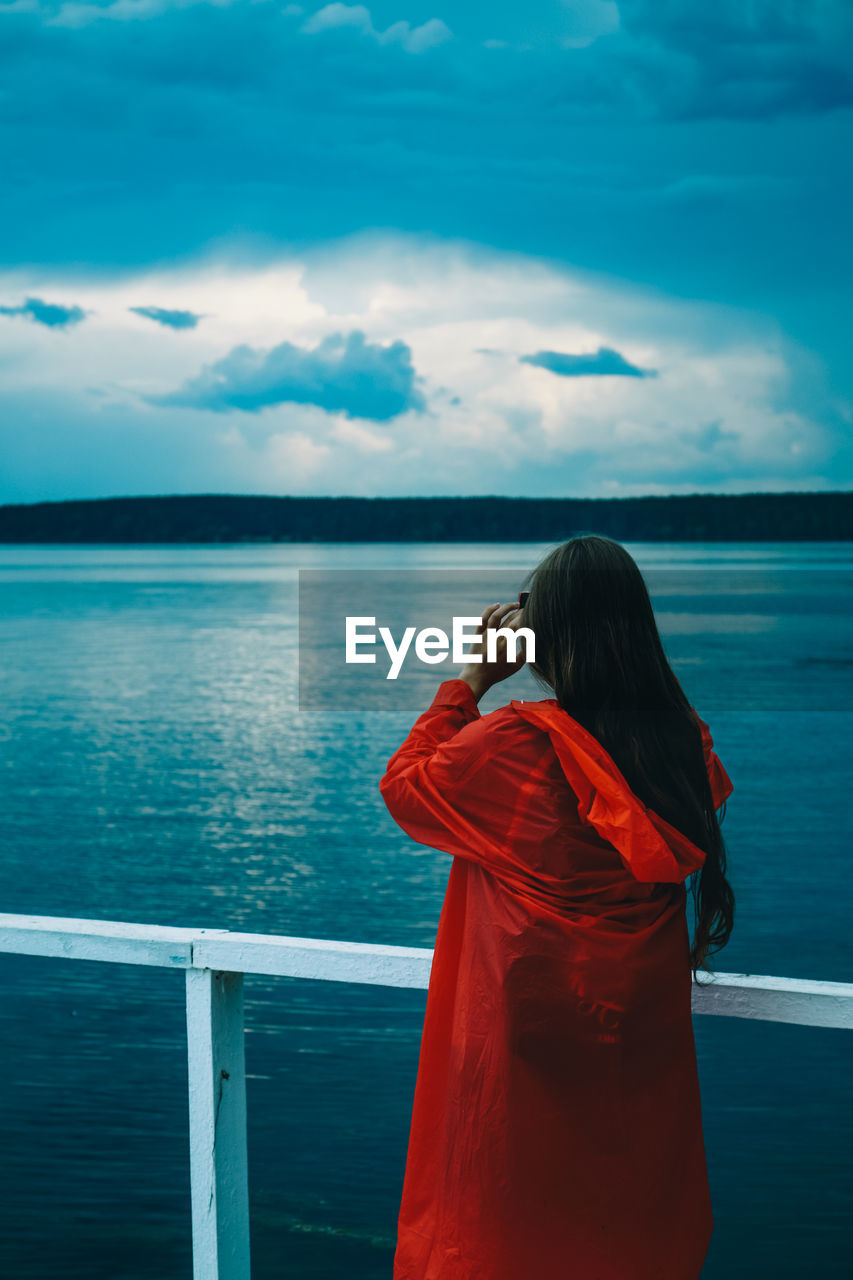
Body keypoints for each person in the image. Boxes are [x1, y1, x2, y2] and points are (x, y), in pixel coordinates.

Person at [378, 534, 735, 1280]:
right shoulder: (682, 746)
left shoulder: (515, 743)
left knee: (503, 1227)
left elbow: (405, 789)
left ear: (539, 632)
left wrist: (475, 677)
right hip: (633, 1048)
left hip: (518, 1044)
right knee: (621, 1223)